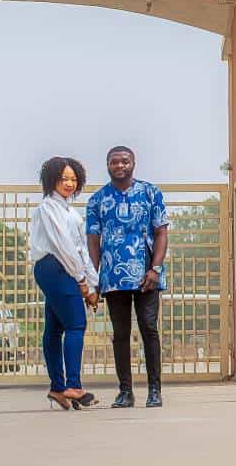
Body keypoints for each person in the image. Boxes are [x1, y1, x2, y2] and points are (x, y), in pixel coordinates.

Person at [86, 146, 170, 408]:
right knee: (120, 334)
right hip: (113, 279)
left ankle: (155, 390)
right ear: (107, 165)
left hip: (147, 276)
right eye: (114, 162)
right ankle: (125, 391)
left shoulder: (150, 192)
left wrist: (155, 269)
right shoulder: (97, 200)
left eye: (124, 161)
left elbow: (161, 233)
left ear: (134, 163)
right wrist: (95, 278)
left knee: (149, 329)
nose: (119, 166)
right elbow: (93, 240)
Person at [30, 156, 100, 410]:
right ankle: (73, 385)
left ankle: (58, 387)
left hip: (61, 269)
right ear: (51, 180)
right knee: (76, 324)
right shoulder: (48, 207)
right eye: (63, 179)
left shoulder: (70, 211)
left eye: (73, 179)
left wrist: (92, 283)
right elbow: (64, 248)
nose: (69, 183)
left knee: (54, 329)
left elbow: (81, 249)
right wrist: (82, 281)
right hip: (54, 267)